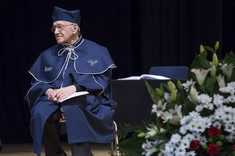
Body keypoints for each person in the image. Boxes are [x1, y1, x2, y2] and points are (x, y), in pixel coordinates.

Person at [25, 6, 117, 156]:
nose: (56, 32)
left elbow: (102, 81)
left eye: (60, 27)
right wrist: (48, 90)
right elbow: (37, 82)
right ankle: (55, 153)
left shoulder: (97, 51)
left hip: (87, 99)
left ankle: (82, 154)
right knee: (40, 111)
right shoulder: (46, 55)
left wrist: (74, 88)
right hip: (54, 100)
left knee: (74, 107)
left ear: (74, 28)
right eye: (54, 28)